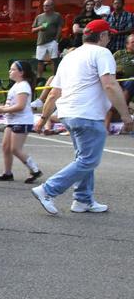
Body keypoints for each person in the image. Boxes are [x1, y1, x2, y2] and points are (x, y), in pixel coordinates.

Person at [32, 20, 133, 215]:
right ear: (102, 36)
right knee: (89, 160)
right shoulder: (102, 53)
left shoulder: (70, 56)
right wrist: (126, 116)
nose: (109, 39)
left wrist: (43, 119)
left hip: (68, 114)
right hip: (88, 115)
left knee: (83, 157)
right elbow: (110, 85)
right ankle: (48, 190)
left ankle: (82, 199)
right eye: (108, 35)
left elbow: (54, 93)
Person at [0, 61, 42, 183]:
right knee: (6, 147)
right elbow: (12, 103)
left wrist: (2, 109)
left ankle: (35, 170)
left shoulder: (23, 86)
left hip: (22, 120)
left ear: (21, 72)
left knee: (15, 149)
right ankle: (7, 173)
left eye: (13, 69)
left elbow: (20, 106)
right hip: (12, 120)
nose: (10, 71)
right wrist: (3, 109)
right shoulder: (16, 85)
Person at [32, 0, 64, 77]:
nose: (45, 7)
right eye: (44, 5)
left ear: (52, 6)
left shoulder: (57, 15)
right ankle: (39, 78)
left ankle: (54, 77)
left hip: (52, 41)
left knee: (54, 60)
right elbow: (32, 30)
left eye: (47, 5)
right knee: (40, 60)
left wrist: (56, 39)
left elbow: (60, 28)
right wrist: (40, 28)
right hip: (41, 42)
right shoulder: (39, 17)